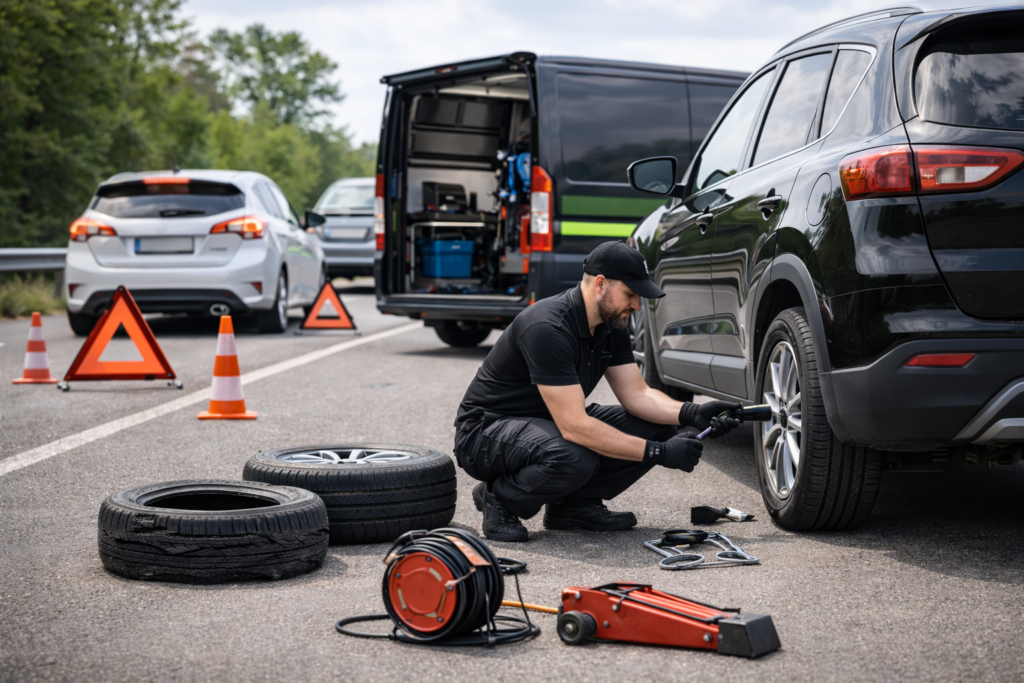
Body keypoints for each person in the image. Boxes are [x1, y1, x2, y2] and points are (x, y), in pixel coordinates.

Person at [453, 241, 741, 542]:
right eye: (630, 294)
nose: (637, 306)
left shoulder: (610, 325)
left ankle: (572, 505)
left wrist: (692, 413)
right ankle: (500, 497)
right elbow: (575, 426)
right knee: (575, 455)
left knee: (658, 426)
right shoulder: (547, 327)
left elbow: (636, 394)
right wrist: (659, 453)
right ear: (600, 284)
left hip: (547, 423)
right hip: (484, 433)